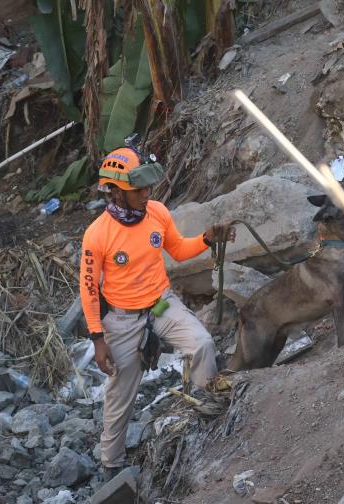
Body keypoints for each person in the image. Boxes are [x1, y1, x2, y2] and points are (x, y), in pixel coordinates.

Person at [79, 145, 233, 480]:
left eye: (148, 187)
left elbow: (178, 250)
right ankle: (112, 464)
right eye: (139, 190)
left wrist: (207, 238)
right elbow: (89, 292)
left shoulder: (157, 212)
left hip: (160, 304)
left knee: (202, 343)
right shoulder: (97, 235)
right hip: (121, 319)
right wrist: (98, 340)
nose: (147, 194)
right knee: (121, 395)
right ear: (115, 192)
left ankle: (208, 406)